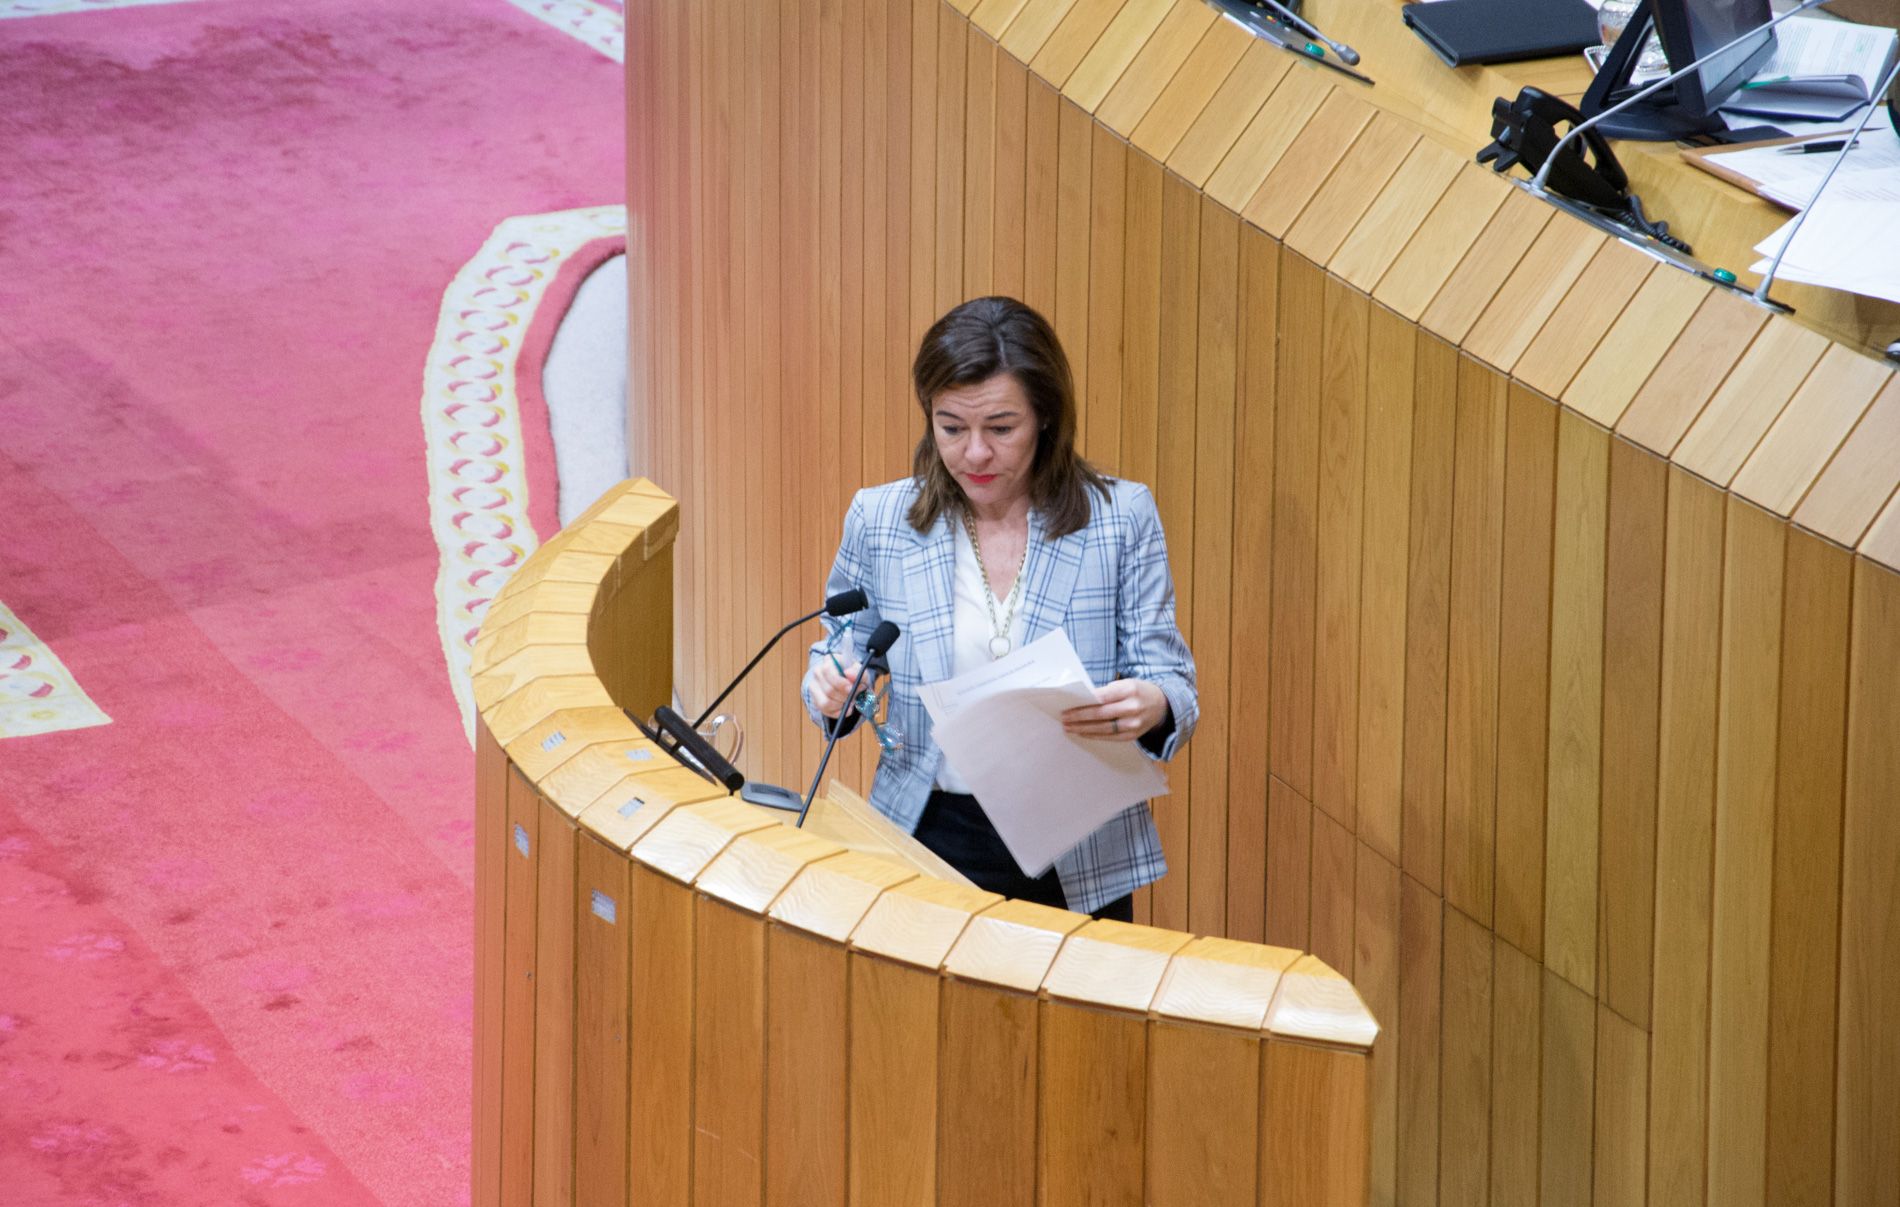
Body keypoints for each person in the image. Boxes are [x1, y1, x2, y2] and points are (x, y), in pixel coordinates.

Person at [802, 296, 1197, 921]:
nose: (975, 454)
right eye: (951, 427)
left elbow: (1171, 681)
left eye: (1001, 428)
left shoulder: (1120, 520)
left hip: (1075, 842)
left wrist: (1152, 705)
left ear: (1045, 417)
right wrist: (831, 686)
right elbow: (839, 647)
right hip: (926, 829)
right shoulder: (880, 520)